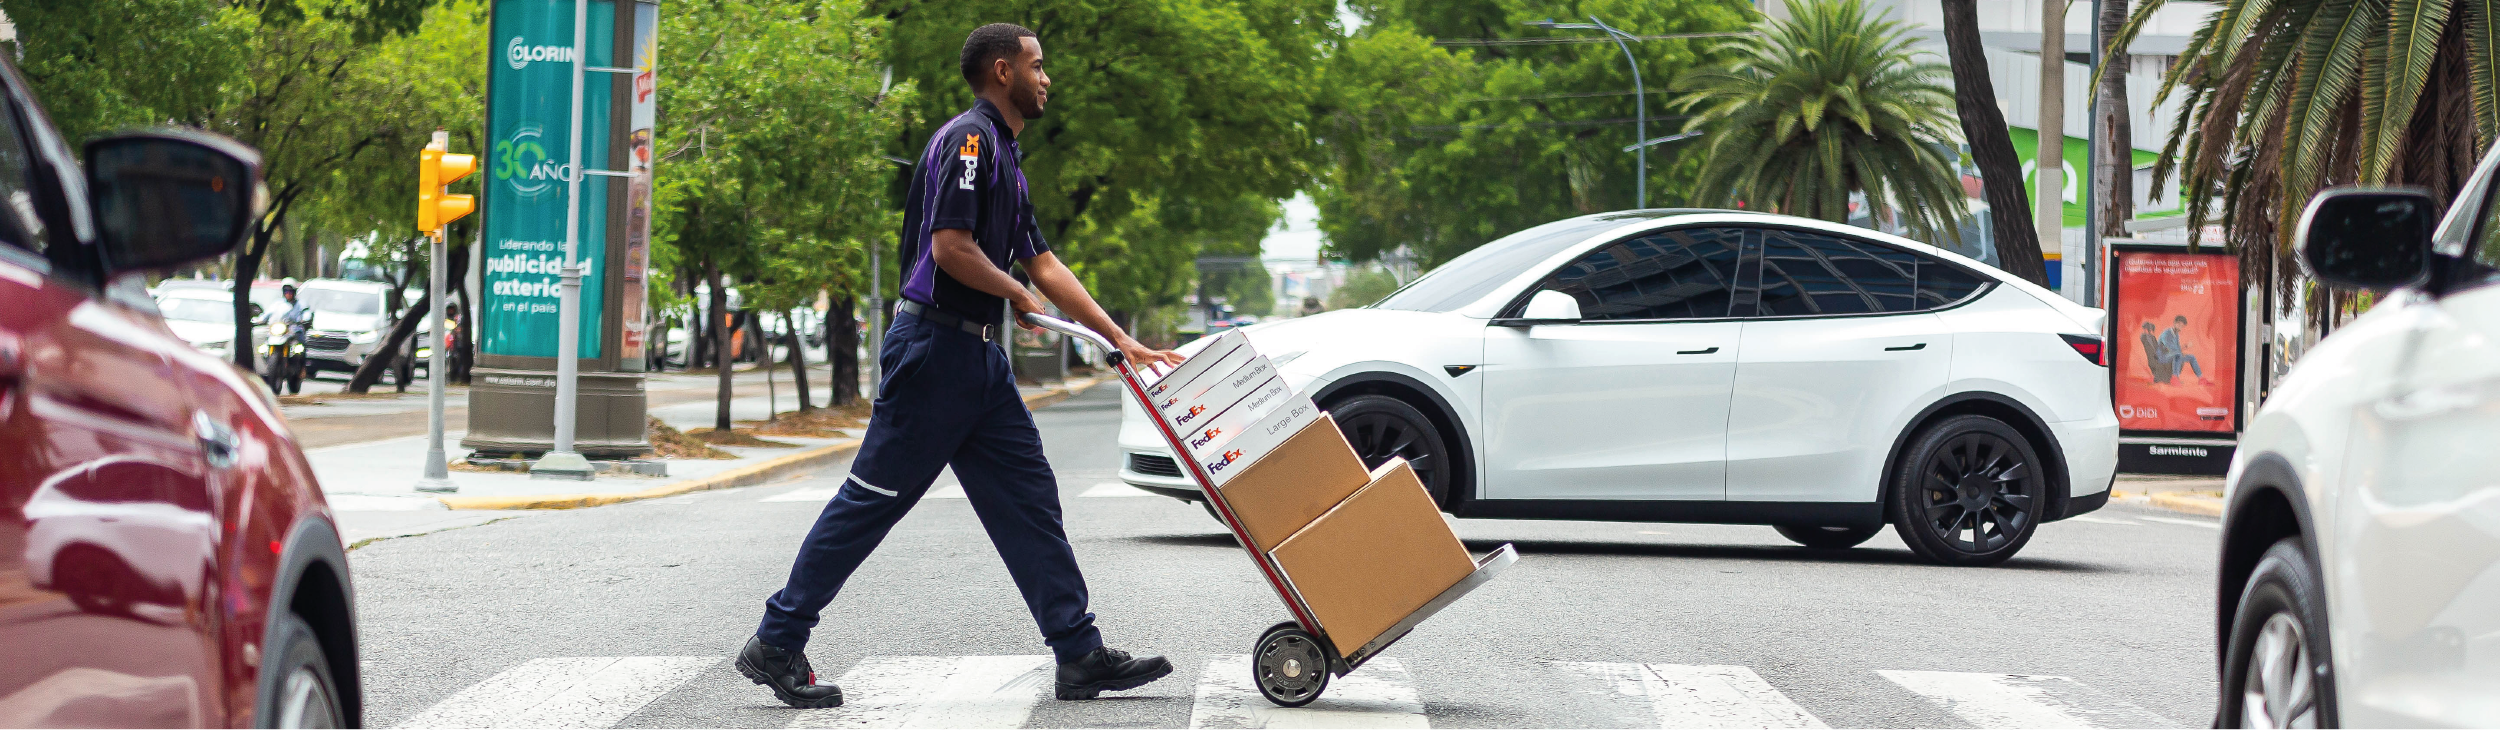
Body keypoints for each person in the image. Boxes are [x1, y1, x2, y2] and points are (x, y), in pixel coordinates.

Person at [736, 23, 1188, 709]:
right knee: (872, 502)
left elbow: (1044, 263)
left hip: (977, 358)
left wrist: (1117, 338)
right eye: (1037, 67)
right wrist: (1015, 293)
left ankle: (1079, 654)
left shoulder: (1006, 156)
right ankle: (777, 638)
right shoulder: (969, 141)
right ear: (1002, 71)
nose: (1047, 79)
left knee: (1030, 503)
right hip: (935, 350)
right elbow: (951, 248)